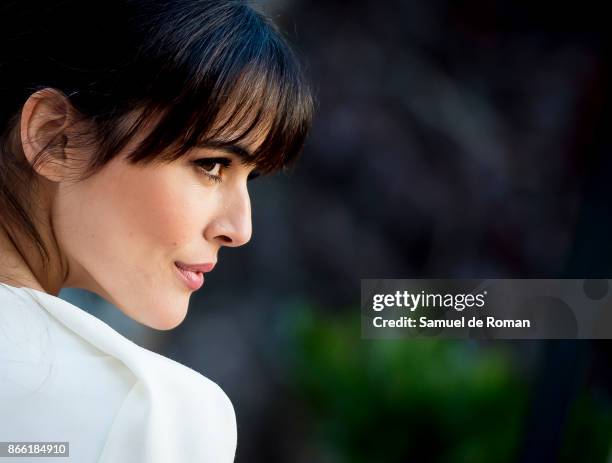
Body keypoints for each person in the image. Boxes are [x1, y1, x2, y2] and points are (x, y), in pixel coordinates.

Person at [0, 0, 313, 461]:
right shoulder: (154, 414)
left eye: (252, 178)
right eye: (211, 165)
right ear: (54, 137)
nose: (240, 229)